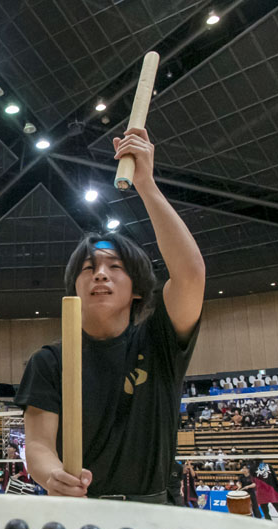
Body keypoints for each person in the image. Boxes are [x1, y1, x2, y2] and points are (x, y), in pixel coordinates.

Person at [14, 130, 204, 502]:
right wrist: (54, 476)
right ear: (74, 289)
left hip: (157, 514)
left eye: (114, 266)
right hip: (82, 517)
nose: (99, 273)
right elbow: (37, 445)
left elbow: (191, 275)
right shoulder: (49, 362)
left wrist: (146, 185)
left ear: (136, 289)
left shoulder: (159, 340)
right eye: (88, 268)